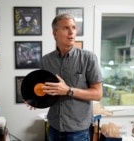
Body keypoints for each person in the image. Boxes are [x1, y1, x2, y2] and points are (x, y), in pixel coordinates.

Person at [26, 13, 103, 141]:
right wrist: (34, 97)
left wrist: (68, 90)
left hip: (79, 132)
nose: (71, 32)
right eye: (66, 28)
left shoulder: (88, 58)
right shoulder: (46, 60)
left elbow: (98, 94)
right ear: (55, 34)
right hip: (53, 129)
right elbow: (47, 90)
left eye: (73, 27)